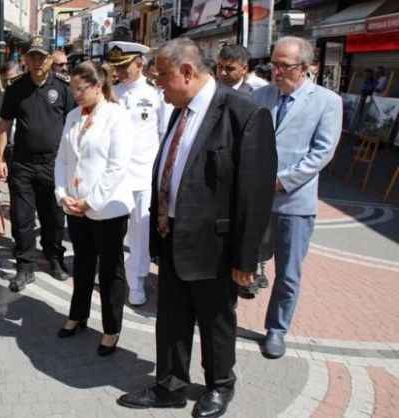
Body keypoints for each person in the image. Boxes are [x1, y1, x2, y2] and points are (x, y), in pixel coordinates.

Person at [117, 38, 276, 417]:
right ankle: (169, 384)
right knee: (172, 318)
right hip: (173, 236)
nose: (159, 87)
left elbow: (254, 195)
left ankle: (220, 384)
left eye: (163, 79)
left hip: (215, 248)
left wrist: (246, 257)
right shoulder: (179, 110)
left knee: (215, 320)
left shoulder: (243, 114)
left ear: (187, 73)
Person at [252, 36, 342, 360]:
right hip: (256, 200)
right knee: (244, 260)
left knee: (288, 273)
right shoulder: (259, 95)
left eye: (284, 66)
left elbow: (323, 152)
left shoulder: (327, 101)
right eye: (273, 64)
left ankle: (276, 329)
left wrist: (283, 182)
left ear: (304, 68)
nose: (276, 71)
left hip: (294, 202)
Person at [54, 61, 134, 355]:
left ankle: (111, 329)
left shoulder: (117, 116)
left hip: (107, 208)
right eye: (72, 88)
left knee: (111, 270)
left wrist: (91, 201)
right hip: (75, 207)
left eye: (79, 89)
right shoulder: (73, 116)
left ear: (97, 86)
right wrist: (63, 194)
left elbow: (117, 166)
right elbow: (62, 159)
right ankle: (78, 314)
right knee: (83, 263)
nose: (74, 94)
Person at [0, 36, 76, 292]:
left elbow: (75, 124)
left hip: (54, 163)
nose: (37, 61)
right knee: (22, 218)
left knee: (53, 216)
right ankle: (25, 266)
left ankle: (54, 259)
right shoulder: (15, 88)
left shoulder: (64, 87)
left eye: (42, 57)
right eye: (33, 57)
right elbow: (4, 124)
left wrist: (75, 162)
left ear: (50, 59)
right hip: (22, 164)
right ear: (26, 60)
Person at [108, 41, 166, 306]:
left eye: (124, 66)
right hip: (116, 176)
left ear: (140, 64)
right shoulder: (111, 93)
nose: (119, 71)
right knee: (113, 231)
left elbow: (164, 135)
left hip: (143, 173)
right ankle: (114, 276)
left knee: (141, 231)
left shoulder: (156, 95)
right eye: (116, 66)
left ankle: (138, 280)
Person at [216, 44, 272, 299]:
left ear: (244, 69)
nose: (224, 73)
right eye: (220, 67)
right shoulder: (211, 93)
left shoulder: (255, 97)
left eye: (230, 68)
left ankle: (251, 273)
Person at [0, 60, 23, 164]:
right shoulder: (0, 99)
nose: (8, 84)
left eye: (11, 79)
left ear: (21, 75)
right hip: (8, 150)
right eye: (5, 81)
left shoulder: (30, 96)